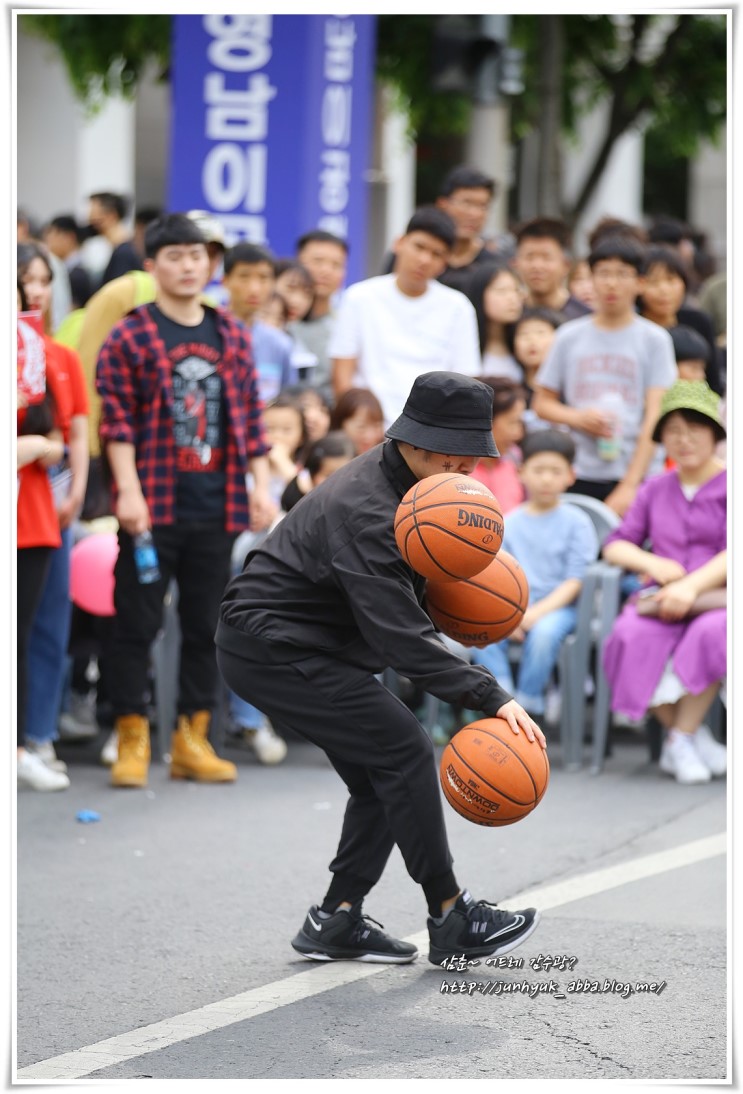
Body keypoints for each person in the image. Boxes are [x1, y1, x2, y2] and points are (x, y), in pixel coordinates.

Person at [216, 371, 545, 966]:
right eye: (457, 449)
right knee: (405, 750)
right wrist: (494, 696)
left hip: (315, 642)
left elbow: (414, 598)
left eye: (478, 450)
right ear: (414, 441)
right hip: (272, 646)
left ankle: (337, 919)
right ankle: (451, 915)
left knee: (380, 772)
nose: (471, 463)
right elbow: (402, 642)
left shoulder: (419, 488)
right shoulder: (369, 512)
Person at [96, 213, 274, 788]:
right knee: (136, 624)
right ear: (153, 265)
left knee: (206, 626)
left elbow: (249, 418)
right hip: (152, 506)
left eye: (198, 256)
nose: (189, 265)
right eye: (175, 256)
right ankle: (130, 737)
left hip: (216, 505)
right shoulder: (131, 333)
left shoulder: (229, 334)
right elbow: (116, 422)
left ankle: (191, 740)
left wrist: (261, 486)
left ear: (210, 265)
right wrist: (127, 490)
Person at [601, 381, 727, 785]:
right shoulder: (655, 487)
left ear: (715, 434)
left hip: (718, 598)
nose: (684, 439)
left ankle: (682, 738)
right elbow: (616, 545)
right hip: (659, 597)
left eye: (695, 427)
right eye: (672, 430)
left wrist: (691, 587)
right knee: (627, 637)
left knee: (716, 632)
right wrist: (652, 560)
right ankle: (688, 736)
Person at [532, 236, 677, 514]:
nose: (612, 283)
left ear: (640, 283)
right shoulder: (568, 336)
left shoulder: (654, 339)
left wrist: (629, 485)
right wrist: (578, 418)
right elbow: (542, 403)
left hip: (637, 473)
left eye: (622, 274)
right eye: (604, 273)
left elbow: (656, 416)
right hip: (578, 470)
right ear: (590, 278)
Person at [18, 243, 90, 776]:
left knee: (43, 624)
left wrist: (75, 489)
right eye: (26, 279)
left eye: (44, 279)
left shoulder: (58, 355)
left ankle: (36, 734)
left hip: (47, 497)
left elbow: (70, 436)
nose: (35, 290)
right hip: (30, 494)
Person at [471, 429, 598, 721]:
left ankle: (528, 705)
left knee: (543, 634)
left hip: (561, 608)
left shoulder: (577, 523)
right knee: (483, 633)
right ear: (521, 472)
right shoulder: (510, 522)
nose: (546, 478)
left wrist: (536, 612)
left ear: (570, 475)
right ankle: (500, 696)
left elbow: (575, 580)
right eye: (539, 470)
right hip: (514, 605)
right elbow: (497, 572)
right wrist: (510, 613)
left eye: (555, 471)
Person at [330, 207, 481, 427]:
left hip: (431, 432)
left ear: (444, 263)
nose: (424, 259)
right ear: (399, 243)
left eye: (436, 254)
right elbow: (342, 379)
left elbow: (466, 384)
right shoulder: (359, 297)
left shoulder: (458, 307)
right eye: (419, 246)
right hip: (368, 430)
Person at [16, 281, 72, 792]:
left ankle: (19, 747)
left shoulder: (35, 367)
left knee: (21, 636)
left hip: (28, 519)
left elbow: (58, 443)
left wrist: (34, 442)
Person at [382, 167, 501, 296]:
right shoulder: (408, 255)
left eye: (482, 206)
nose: (474, 214)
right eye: (467, 203)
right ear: (442, 204)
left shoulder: (492, 265)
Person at [637, 246, 721, 394]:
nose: (663, 290)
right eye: (654, 282)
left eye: (671, 280)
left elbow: (714, 380)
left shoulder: (698, 322)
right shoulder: (634, 326)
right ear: (639, 286)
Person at [221, 242, 297, 405]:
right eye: (244, 277)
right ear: (225, 280)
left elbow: (288, 402)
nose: (254, 288)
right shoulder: (210, 333)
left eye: (263, 278)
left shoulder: (280, 343)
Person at [289, 230, 349, 400]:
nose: (326, 271)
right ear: (298, 262)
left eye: (336, 265)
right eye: (318, 261)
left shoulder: (345, 327)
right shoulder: (277, 323)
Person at [512, 217, 592, 321]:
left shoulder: (584, 318)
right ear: (516, 264)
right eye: (529, 257)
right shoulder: (510, 317)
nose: (537, 266)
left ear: (566, 265)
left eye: (546, 257)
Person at [470, 378, 527, 514]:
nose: (519, 433)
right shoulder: (456, 470)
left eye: (520, 423)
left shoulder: (515, 457)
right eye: (513, 423)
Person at [468, 262, 524, 380]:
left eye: (516, 291)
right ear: (479, 294)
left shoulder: (522, 344)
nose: (513, 299)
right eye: (502, 291)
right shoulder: (465, 344)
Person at [88, 192, 143, 287]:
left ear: (111, 214)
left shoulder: (124, 252)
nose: (89, 219)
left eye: (93, 212)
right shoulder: (113, 248)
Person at [328, 387, 385, 455]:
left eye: (376, 426)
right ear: (341, 424)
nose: (369, 436)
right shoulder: (328, 459)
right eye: (361, 427)